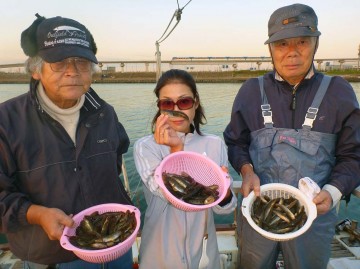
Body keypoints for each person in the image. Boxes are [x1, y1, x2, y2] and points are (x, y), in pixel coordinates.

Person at [223, 3, 360, 269]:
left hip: (315, 214)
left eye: (302, 41)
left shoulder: (339, 93)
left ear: (316, 44)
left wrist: (332, 192)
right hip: (257, 209)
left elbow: (354, 154)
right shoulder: (251, 91)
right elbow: (236, 141)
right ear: (270, 49)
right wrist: (247, 169)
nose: (292, 53)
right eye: (282, 44)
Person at [0, 14, 133, 269]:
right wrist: (37, 215)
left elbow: (116, 161)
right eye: (59, 62)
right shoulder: (6, 122)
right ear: (36, 69)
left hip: (116, 248)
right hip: (50, 257)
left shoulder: (106, 113)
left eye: (82, 62)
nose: (72, 71)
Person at [133, 69, 237, 269]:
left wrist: (223, 193)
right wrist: (176, 150)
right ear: (160, 107)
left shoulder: (214, 144)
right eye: (167, 103)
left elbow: (225, 207)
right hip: (160, 250)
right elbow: (170, 195)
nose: (176, 109)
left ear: (196, 103)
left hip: (204, 249)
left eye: (184, 102)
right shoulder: (145, 146)